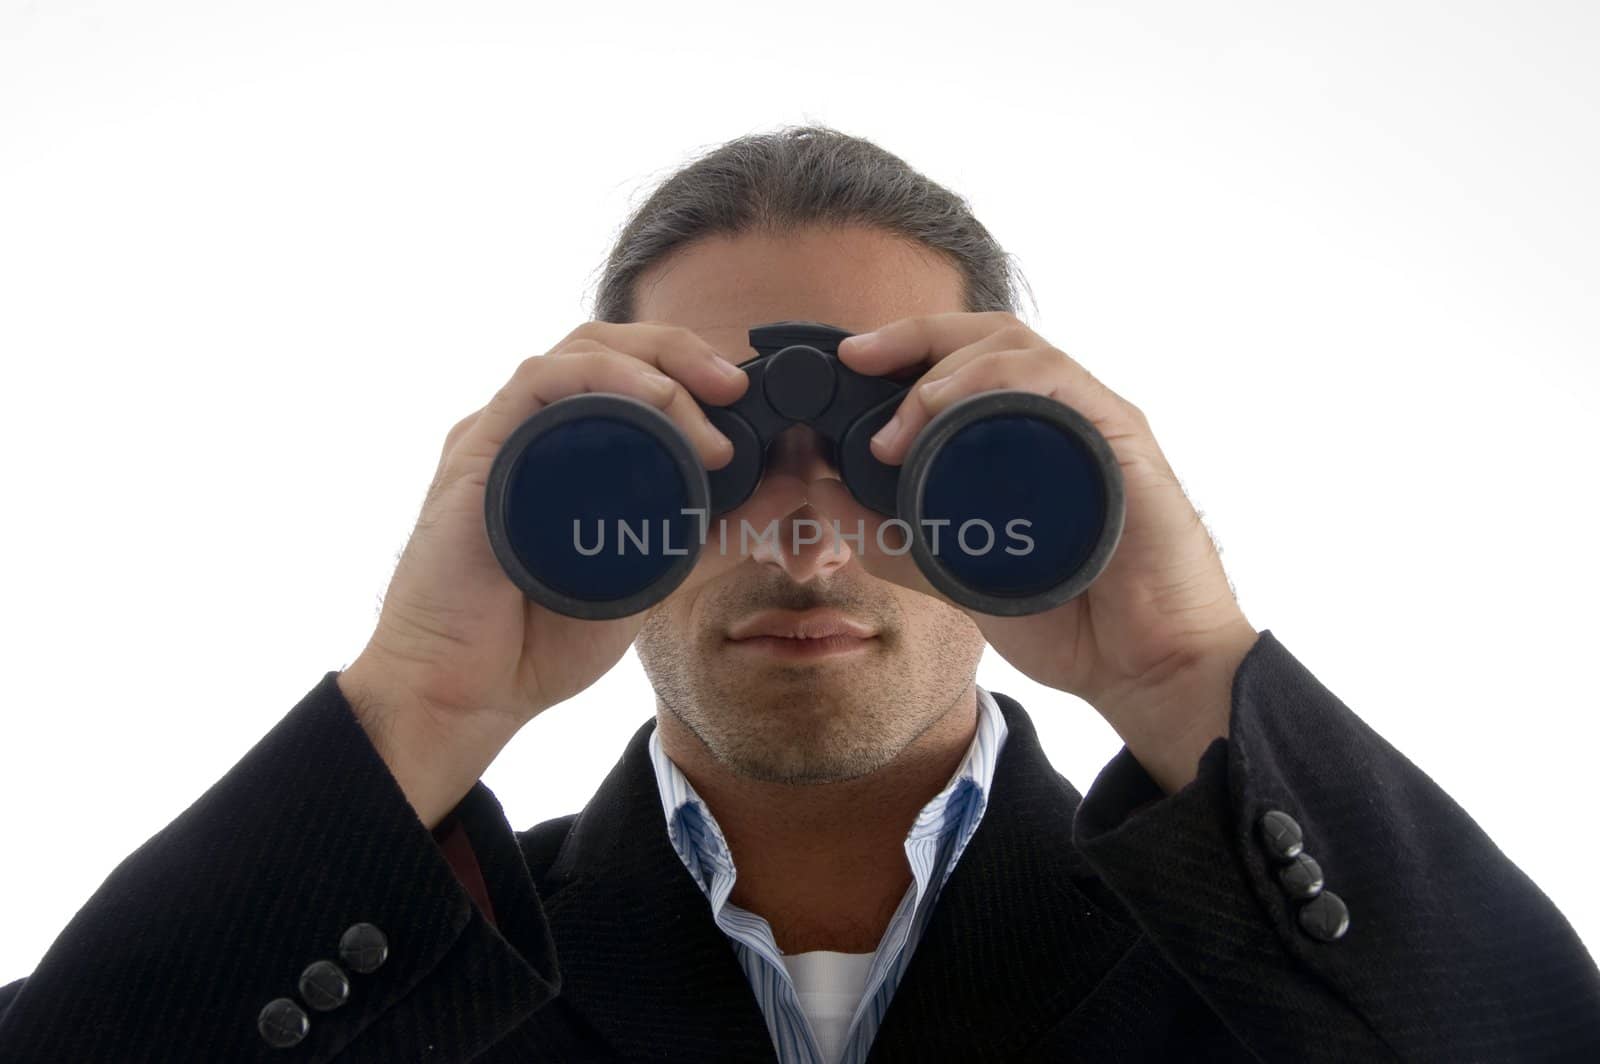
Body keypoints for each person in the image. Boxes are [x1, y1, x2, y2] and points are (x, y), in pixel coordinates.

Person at [2, 125, 1596, 1064]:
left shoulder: (1275, 973)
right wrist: (416, 705)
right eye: (704, 450)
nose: (812, 535)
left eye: (909, 448)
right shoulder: (423, 980)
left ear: (1018, 474)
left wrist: (1188, 670)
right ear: (599, 479)